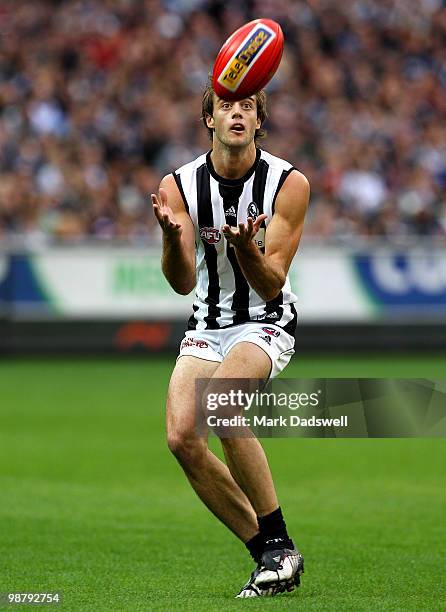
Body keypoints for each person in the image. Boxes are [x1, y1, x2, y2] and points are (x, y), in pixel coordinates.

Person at [151, 82, 310, 598]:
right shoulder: (179, 186)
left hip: (266, 321)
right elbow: (181, 282)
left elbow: (272, 282)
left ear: (259, 122)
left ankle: (280, 541)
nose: (237, 113)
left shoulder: (289, 183)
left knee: (219, 406)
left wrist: (247, 251)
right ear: (209, 120)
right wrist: (175, 241)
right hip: (207, 325)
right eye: (226, 106)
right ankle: (269, 553)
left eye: (247, 107)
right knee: (181, 437)